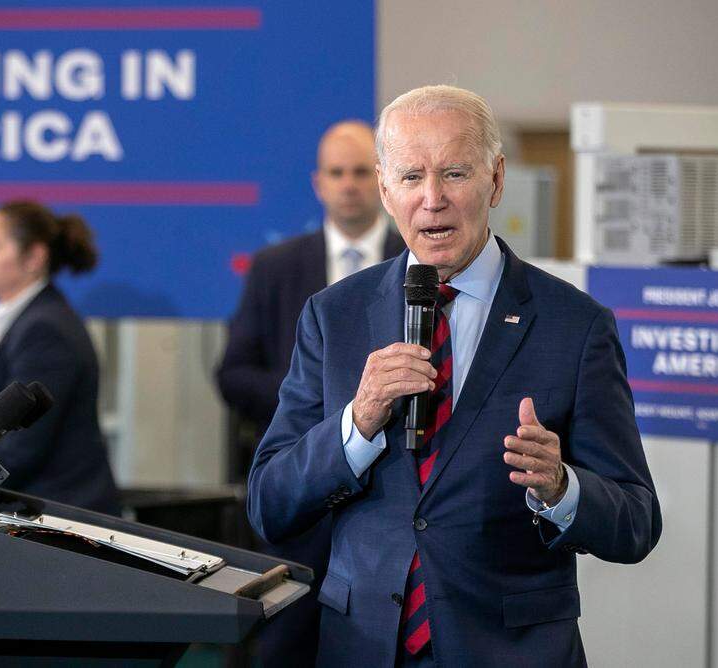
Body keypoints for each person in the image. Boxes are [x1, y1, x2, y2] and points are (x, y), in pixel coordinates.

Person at [247, 86, 661, 667]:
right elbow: (269, 503)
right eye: (412, 177)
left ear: (496, 179)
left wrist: (561, 487)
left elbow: (636, 521)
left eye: (455, 173)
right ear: (386, 191)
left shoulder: (575, 326)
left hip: (510, 650)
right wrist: (356, 424)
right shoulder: (333, 315)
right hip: (364, 647)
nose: (433, 199)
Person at [217, 120, 405, 666]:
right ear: (318, 183)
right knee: (283, 647)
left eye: (360, 172)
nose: (349, 184)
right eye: (336, 173)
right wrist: (326, 414)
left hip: (390, 501)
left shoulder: (423, 258)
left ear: (382, 180)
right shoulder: (275, 267)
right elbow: (232, 372)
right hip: (298, 497)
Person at [0, 200, 120, 516]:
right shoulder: (21, 321)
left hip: (54, 523)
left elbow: (22, 447)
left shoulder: (45, 329)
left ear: (34, 257)